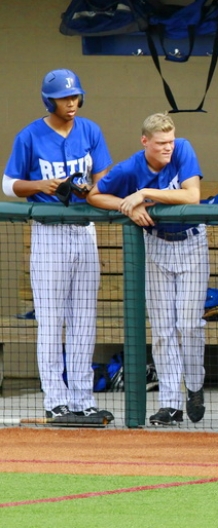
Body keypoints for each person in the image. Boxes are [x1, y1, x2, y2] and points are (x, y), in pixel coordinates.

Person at [2, 68, 113, 423]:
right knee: (51, 321)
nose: (72, 103)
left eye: (75, 96)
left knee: (84, 320)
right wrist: (41, 186)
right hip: (49, 232)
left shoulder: (90, 130)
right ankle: (56, 400)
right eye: (64, 98)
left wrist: (89, 190)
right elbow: (8, 185)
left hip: (84, 230)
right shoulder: (30, 135)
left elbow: (103, 180)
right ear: (49, 100)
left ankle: (83, 398)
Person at [88, 112, 209, 427]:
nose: (168, 147)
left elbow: (192, 196)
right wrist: (127, 204)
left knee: (189, 324)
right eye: (160, 143)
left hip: (192, 241)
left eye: (170, 141)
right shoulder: (130, 166)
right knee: (163, 329)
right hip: (156, 243)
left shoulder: (183, 148)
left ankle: (195, 385)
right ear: (145, 142)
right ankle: (170, 403)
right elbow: (94, 194)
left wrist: (144, 194)